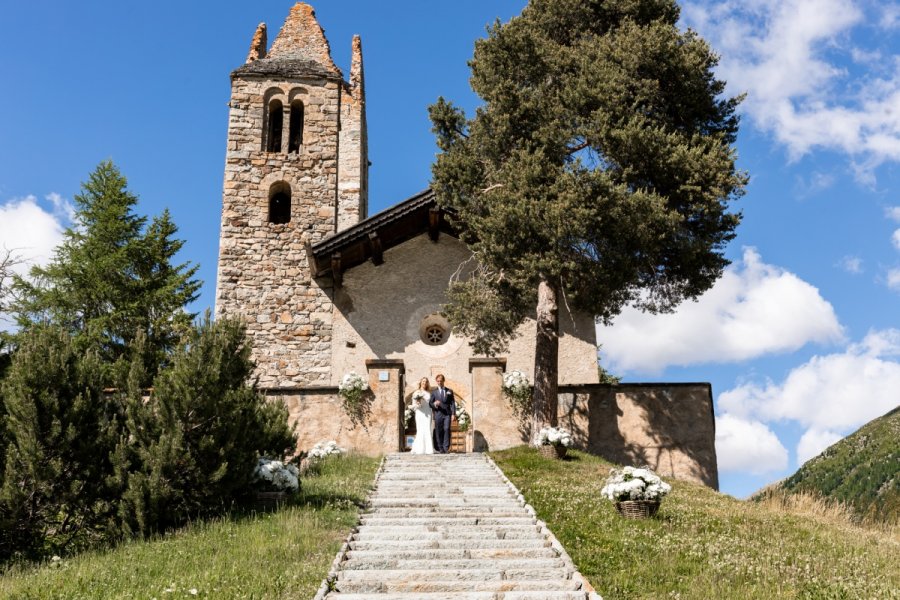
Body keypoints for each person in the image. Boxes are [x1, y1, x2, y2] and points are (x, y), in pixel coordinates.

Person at [429, 373, 456, 454]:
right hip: (438, 414)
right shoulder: (434, 392)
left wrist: (453, 414)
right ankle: (440, 448)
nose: (439, 382)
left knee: (447, 429)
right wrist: (434, 404)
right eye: (438, 381)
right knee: (439, 430)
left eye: (441, 381)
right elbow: (430, 403)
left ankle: (446, 447)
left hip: (447, 414)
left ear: (444, 381)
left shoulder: (449, 391)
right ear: (436, 382)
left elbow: (452, 403)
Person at [409, 377, 434, 455]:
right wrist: (418, 404)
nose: (424, 383)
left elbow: (430, 403)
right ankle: (419, 449)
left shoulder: (429, 393)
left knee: (427, 429)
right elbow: (413, 405)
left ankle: (429, 449)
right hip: (420, 413)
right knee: (420, 429)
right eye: (423, 381)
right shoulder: (416, 392)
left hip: (428, 412)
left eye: (426, 382)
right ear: (420, 382)